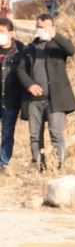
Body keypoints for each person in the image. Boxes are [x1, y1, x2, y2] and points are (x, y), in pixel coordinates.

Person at [17, 13, 75, 170]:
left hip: (55, 100)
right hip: (33, 101)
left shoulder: (59, 47)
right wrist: (30, 85)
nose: (41, 30)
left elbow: (71, 50)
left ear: (53, 28)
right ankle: (38, 165)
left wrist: (55, 35)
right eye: (39, 27)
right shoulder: (29, 48)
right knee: (35, 136)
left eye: (45, 27)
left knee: (56, 135)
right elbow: (21, 70)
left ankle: (60, 167)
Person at [0, 18, 24, 171]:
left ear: (11, 33)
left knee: (7, 133)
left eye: (1, 32)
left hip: (11, 100)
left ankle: (2, 163)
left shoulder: (21, 51)